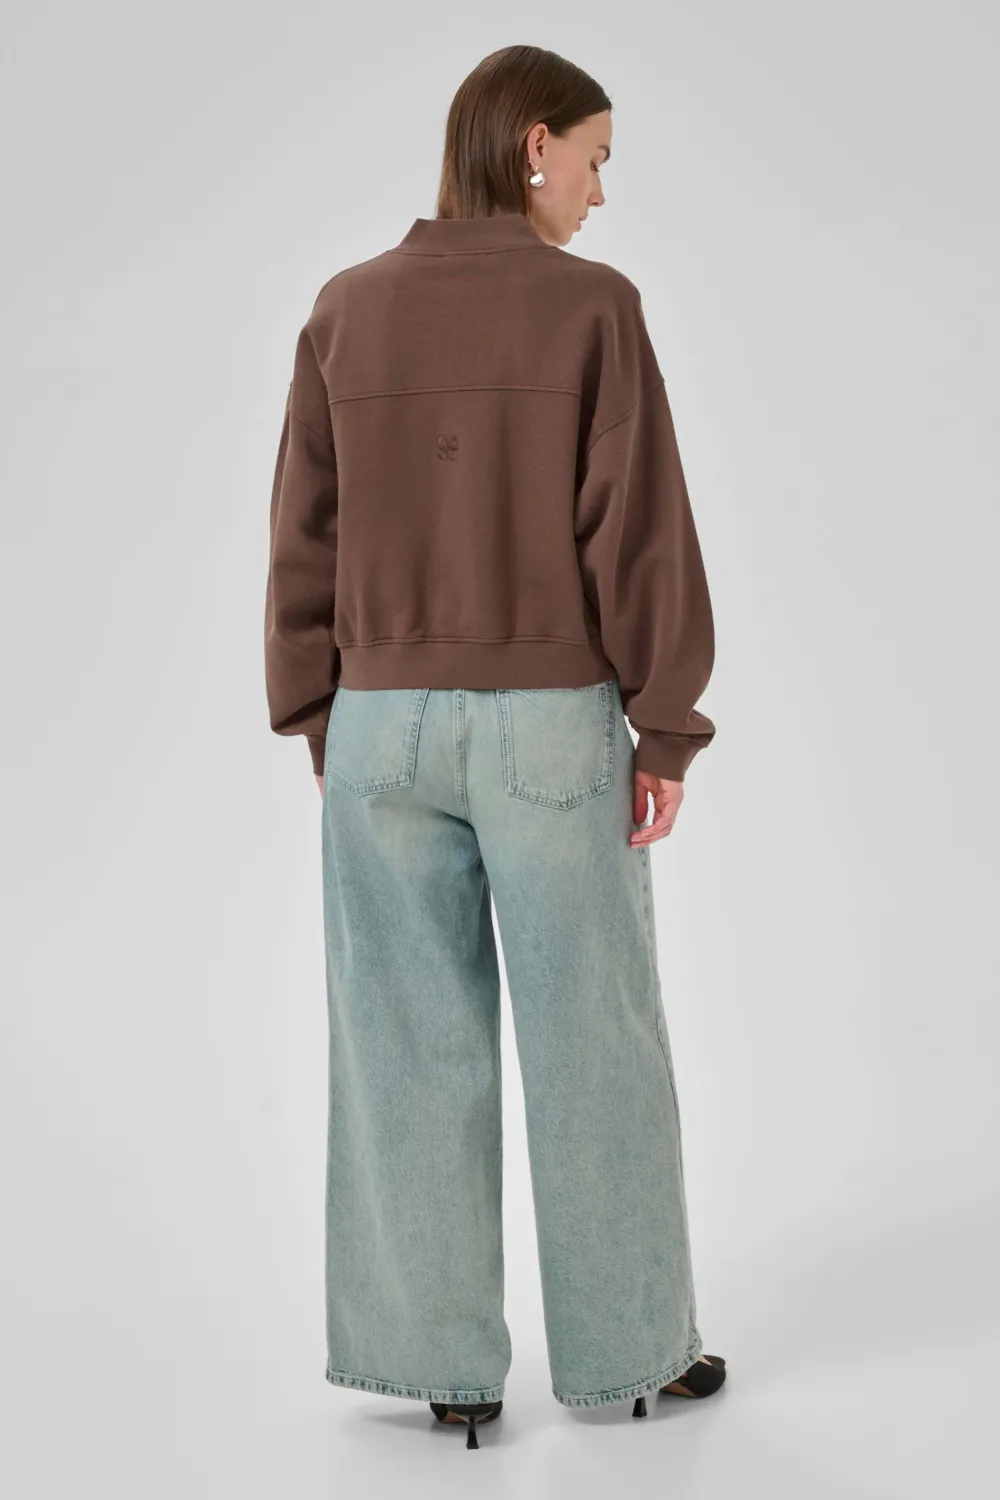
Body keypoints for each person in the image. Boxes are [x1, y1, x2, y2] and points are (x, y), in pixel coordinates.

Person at [263, 43, 725, 1449]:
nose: (600, 191)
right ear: (533, 146)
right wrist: (666, 722)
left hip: (379, 724)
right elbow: (638, 529)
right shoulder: (592, 308)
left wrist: (317, 710)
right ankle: (631, 1352)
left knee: (403, 1043)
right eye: (594, 158)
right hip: (547, 723)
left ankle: (441, 1367)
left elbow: (302, 531)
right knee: (596, 1041)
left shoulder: (346, 308)